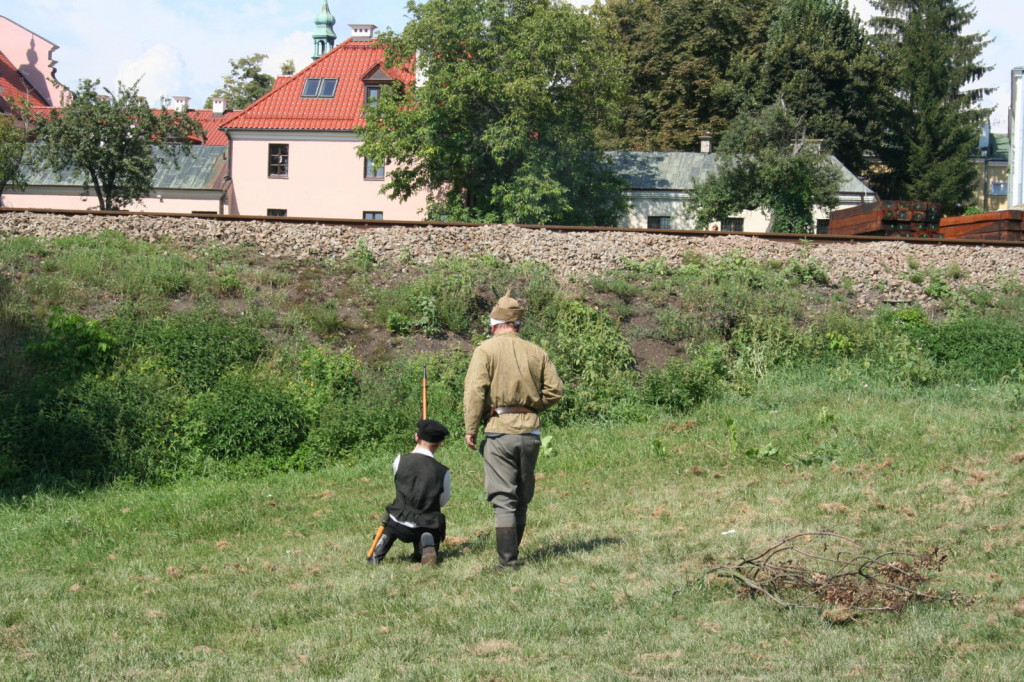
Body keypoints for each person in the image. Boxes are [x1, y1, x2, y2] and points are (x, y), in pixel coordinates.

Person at [464, 290, 564, 570]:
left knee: (503, 498)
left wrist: (471, 427)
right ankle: (513, 554)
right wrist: (532, 409)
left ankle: (507, 563)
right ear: (518, 325)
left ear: (493, 325)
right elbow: (555, 391)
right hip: (531, 434)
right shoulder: (536, 351)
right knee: (522, 496)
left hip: (499, 432)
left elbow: (475, 390)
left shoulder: (485, 350)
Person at [367, 419, 451, 566]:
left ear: (416, 437)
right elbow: (443, 501)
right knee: (434, 523)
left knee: (392, 518)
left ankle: (379, 551)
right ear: (439, 444)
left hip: (399, 522)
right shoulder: (443, 471)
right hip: (427, 523)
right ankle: (425, 546)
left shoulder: (399, 460)